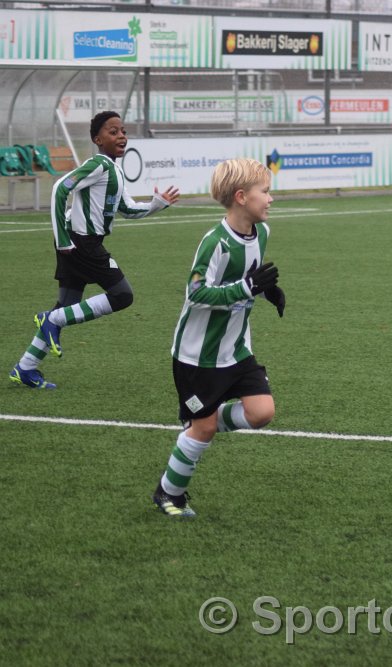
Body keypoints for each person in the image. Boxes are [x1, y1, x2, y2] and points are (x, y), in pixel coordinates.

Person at [151, 158, 286, 518]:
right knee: (205, 428)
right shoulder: (215, 243)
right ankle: (169, 493)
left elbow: (251, 277)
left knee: (262, 412)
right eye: (265, 191)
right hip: (198, 356)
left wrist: (268, 291)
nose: (271, 198)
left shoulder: (262, 233)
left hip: (237, 348)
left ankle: (198, 420)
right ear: (241, 197)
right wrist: (246, 288)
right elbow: (196, 293)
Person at [8, 111, 180, 389]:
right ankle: (50, 320)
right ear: (97, 140)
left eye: (123, 131)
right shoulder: (98, 164)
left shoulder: (114, 170)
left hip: (79, 242)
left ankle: (25, 367)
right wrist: (63, 239)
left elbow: (127, 209)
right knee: (122, 295)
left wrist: (156, 204)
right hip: (81, 242)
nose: (121, 136)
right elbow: (59, 189)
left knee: (67, 305)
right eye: (113, 132)